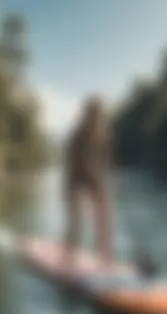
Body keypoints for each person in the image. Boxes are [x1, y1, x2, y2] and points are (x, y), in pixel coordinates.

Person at [63, 95, 113, 272]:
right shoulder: (77, 135)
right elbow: (74, 163)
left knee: (104, 215)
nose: (96, 117)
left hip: (92, 179)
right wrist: (92, 177)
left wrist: (106, 181)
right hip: (74, 180)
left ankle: (105, 260)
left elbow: (105, 159)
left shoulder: (103, 134)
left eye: (98, 114)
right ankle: (68, 262)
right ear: (87, 114)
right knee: (77, 222)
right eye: (93, 113)